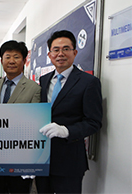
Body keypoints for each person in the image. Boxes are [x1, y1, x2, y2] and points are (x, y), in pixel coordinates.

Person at [36, 30, 103, 194]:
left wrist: (66, 131)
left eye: (66, 49)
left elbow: (94, 122)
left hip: (70, 161)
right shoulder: (44, 81)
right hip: (42, 158)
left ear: (75, 52)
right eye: (56, 50)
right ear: (50, 54)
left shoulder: (89, 82)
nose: (60, 54)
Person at [0, 40, 40, 194]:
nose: (11, 61)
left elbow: (35, 123)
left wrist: (32, 161)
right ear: (2, 61)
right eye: (7, 57)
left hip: (21, 154)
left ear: (24, 61)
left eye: (16, 57)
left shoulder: (34, 89)